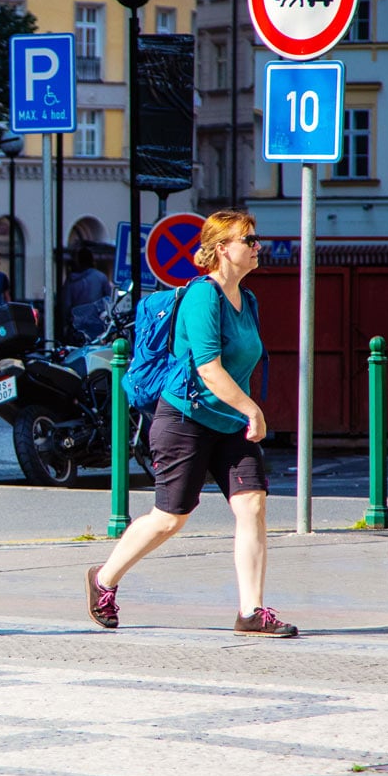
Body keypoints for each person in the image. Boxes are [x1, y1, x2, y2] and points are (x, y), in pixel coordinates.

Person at [84, 209, 296, 639]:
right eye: (248, 240)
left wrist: (241, 412)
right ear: (222, 249)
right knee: (170, 517)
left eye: (256, 239)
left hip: (228, 421)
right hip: (185, 418)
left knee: (252, 503)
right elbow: (209, 369)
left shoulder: (247, 300)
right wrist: (253, 410)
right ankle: (103, 578)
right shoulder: (203, 296)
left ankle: (250, 612)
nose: (257, 247)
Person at [61, 247, 111, 342]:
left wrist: (66, 323)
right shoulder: (100, 277)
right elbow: (109, 301)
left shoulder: (71, 281)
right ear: (92, 260)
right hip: (96, 325)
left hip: (76, 325)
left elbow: (66, 305)